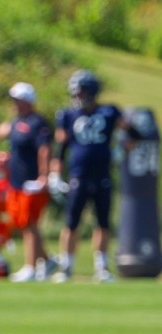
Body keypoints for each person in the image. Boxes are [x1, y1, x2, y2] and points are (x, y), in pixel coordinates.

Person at [50, 69, 124, 283]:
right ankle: (67, 267)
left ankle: (102, 268)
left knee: (103, 223)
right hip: (78, 176)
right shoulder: (68, 115)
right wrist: (55, 174)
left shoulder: (109, 112)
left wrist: (120, 150)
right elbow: (60, 148)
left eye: (80, 92)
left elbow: (132, 133)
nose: (77, 97)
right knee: (72, 223)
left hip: (102, 175)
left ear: (91, 91)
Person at [0, 82, 56, 282]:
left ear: (27, 101)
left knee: (29, 224)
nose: (14, 104)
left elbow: (44, 150)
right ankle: (48, 261)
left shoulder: (37, 123)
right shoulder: (17, 121)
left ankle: (31, 267)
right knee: (22, 223)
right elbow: (5, 129)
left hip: (31, 181)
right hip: (16, 182)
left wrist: (44, 175)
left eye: (18, 100)